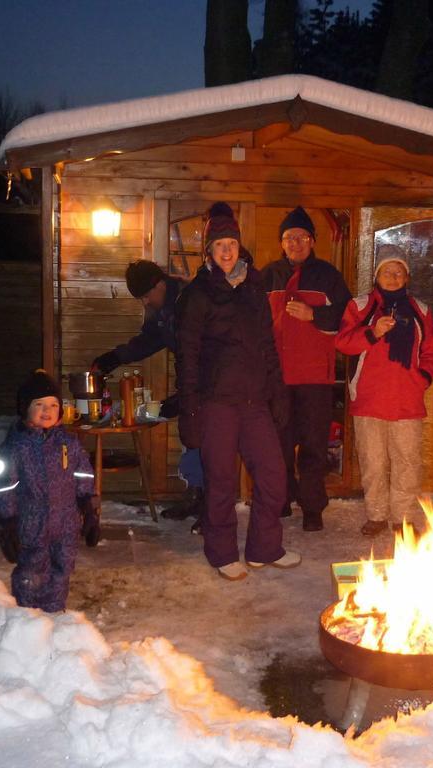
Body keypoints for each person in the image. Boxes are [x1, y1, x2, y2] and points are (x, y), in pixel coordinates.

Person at [175, 202, 300, 581]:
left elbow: (267, 345)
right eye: (219, 245)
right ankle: (222, 552)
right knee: (221, 480)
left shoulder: (253, 288)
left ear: (239, 247)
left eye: (231, 244)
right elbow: (187, 356)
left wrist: (277, 392)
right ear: (209, 252)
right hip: (217, 403)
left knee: (274, 473)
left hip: (255, 401)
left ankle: (264, 548)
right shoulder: (197, 295)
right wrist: (190, 409)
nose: (227, 251)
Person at [90, 260, 204, 525]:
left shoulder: (193, 299)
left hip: (211, 380)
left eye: (144, 296)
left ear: (160, 284)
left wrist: (187, 396)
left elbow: (214, 352)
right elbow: (149, 340)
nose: (144, 303)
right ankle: (196, 495)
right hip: (191, 381)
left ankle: (212, 507)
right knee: (192, 437)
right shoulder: (163, 309)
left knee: (209, 439)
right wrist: (114, 358)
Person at [335, 248, 433, 536]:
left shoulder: (422, 310)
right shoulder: (361, 306)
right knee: (373, 461)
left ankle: (402, 518)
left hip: (407, 400)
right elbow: (343, 343)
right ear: (376, 275)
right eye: (387, 272)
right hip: (369, 399)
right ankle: (377, 515)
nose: (393, 277)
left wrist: (423, 377)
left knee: (408, 462)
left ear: (407, 276)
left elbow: (430, 351)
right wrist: (373, 332)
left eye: (398, 272)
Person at [261, 206, 352, 531]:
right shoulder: (268, 275)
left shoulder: (328, 276)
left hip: (315, 376)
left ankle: (312, 507)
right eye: (289, 238)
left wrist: (314, 315)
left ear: (312, 241)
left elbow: (348, 318)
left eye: (301, 237)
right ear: (282, 243)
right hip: (278, 377)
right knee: (277, 443)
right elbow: (255, 324)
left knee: (314, 445)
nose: (295, 243)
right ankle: (281, 498)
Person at [0, 369, 100, 612]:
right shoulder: (13, 447)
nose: (47, 411)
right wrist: (7, 522)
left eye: (53, 405)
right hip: (32, 522)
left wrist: (89, 510)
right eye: (39, 404)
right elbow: (4, 486)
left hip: (66, 522)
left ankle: (55, 610)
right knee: (32, 569)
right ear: (25, 409)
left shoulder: (69, 444)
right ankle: (28, 615)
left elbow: (83, 474)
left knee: (62, 568)